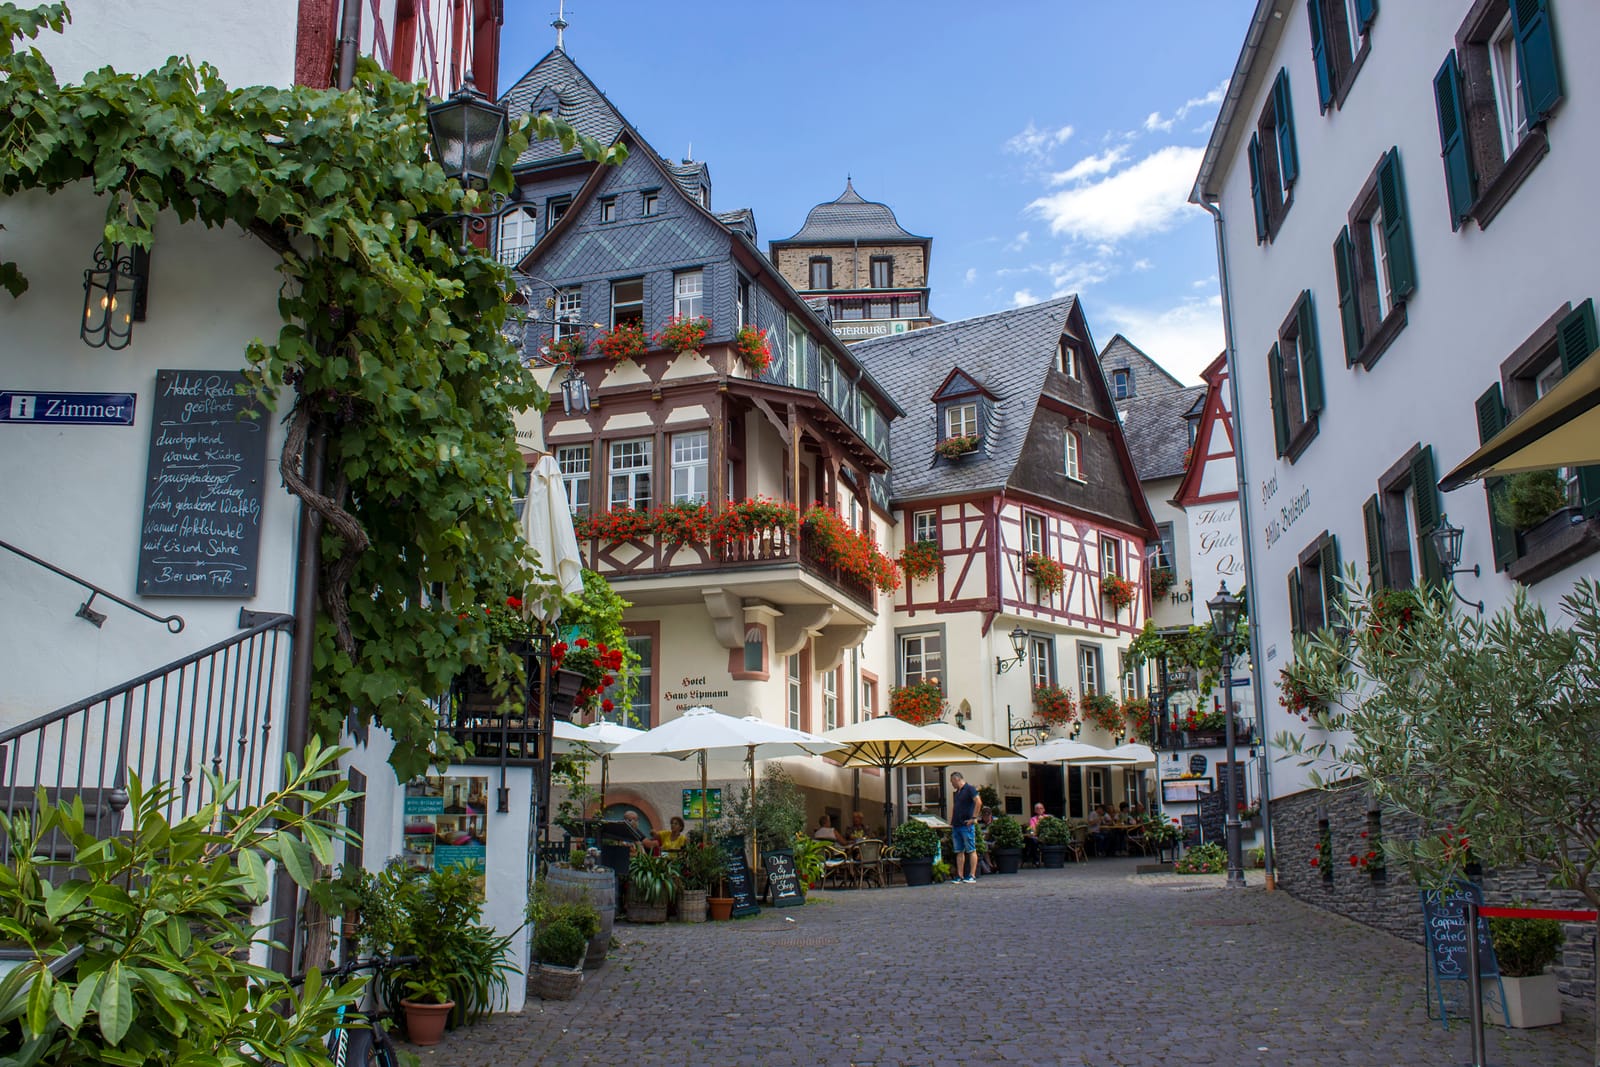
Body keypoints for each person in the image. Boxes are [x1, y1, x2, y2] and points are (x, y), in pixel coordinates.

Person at [948, 771, 981, 884]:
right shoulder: (957, 792)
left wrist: (974, 817)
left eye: (952, 781)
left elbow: (978, 802)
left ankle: (972, 875)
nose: (952, 784)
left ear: (957, 779)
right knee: (959, 851)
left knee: (971, 849)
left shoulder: (969, 789)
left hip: (966, 825)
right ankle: (960, 875)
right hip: (957, 825)